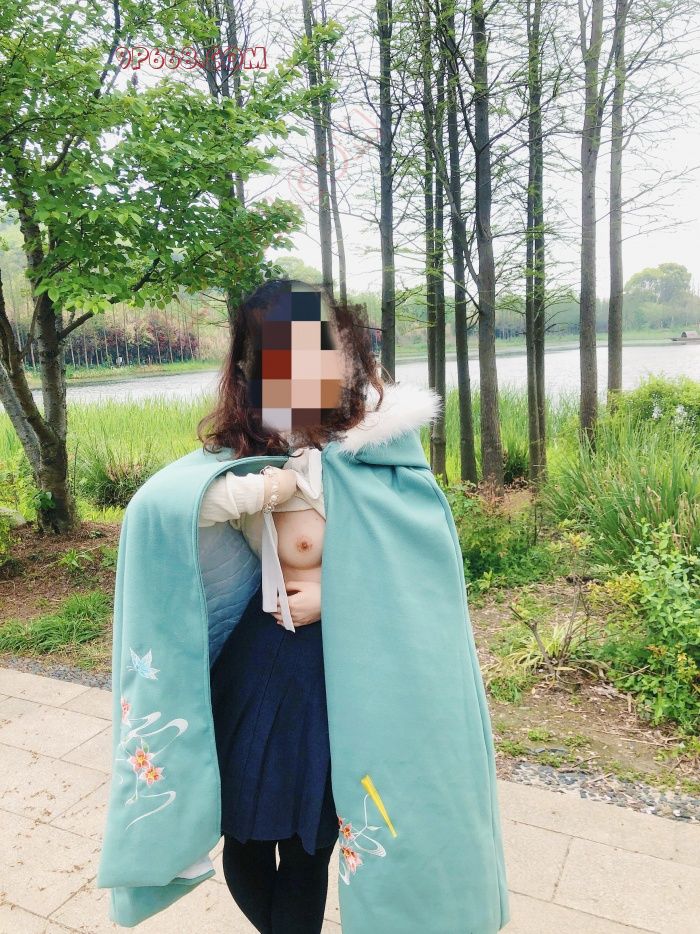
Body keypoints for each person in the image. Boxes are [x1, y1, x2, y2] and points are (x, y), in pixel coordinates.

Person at [194, 278, 385, 934]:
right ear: (251, 363)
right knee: (243, 840)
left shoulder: (373, 443)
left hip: (333, 672)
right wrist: (256, 492)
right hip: (258, 663)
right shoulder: (242, 449)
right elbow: (170, 512)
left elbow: (413, 562)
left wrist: (337, 594)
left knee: (309, 846)